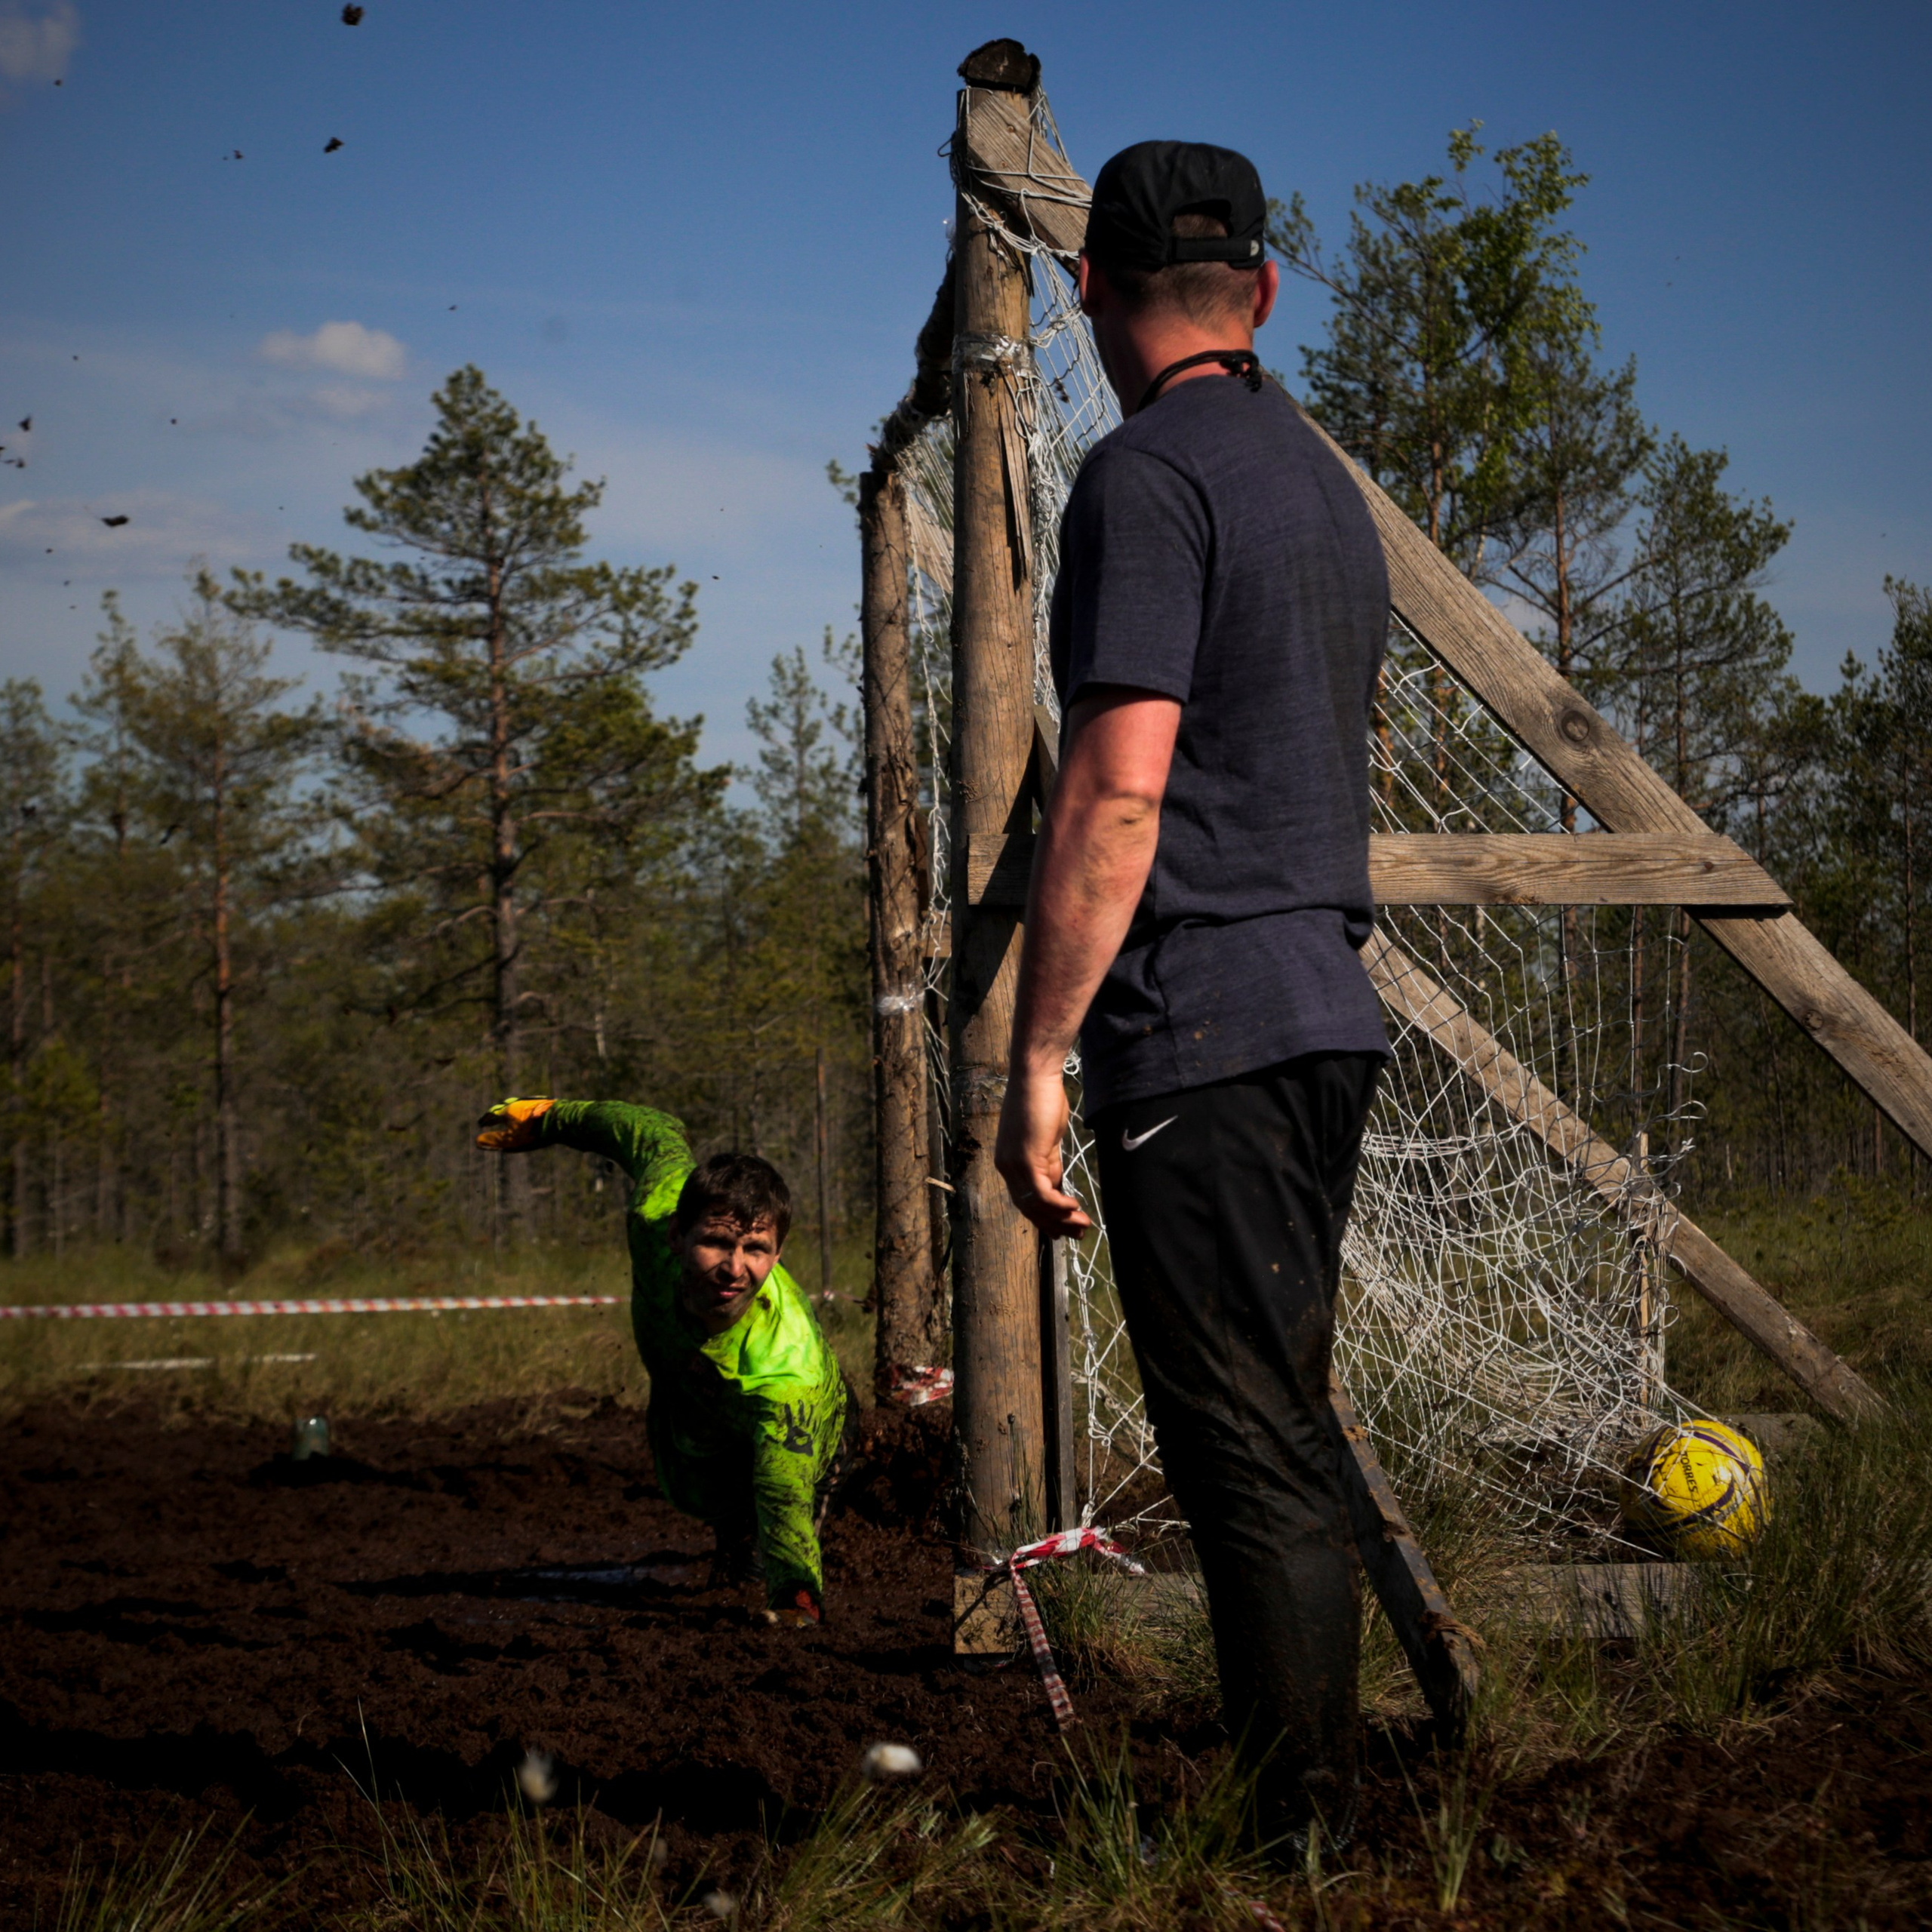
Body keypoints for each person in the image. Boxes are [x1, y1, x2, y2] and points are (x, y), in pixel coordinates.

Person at [992, 140, 1390, 1845]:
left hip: (1204, 1024)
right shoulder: (1318, 483)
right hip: (1322, 1009)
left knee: (1240, 1441)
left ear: (1087, 288)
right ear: (1265, 291)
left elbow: (1119, 789)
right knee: (1273, 1424)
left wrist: (1039, 1053)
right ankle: (1304, 1803)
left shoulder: (1143, 478)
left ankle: (1297, 1833)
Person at [477, 1097, 851, 1628]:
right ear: (677, 1234)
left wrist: (796, 1597)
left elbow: (785, 1492)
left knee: (752, 1559)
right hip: (702, 1413)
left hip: (812, 1427)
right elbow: (649, 1134)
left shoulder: (788, 1376)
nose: (734, 1268)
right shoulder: (655, 1217)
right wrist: (550, 1119)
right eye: (716, 1242)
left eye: (755, 1249)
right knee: (713, 1497)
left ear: (778, 1253)